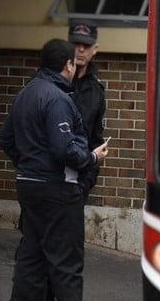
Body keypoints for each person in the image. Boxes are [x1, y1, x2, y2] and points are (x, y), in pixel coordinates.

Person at [0, 38, 109, 301]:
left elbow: (5, 138)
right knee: (66, 265)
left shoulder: (26, 93)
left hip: (28, 186)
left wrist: (27, 164)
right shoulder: (57, 98)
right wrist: (93, 158)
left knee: (31, 259)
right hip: (58, 191)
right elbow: (64, 150)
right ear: (68, 65)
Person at [68, 19, 107, 198]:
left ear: (95, 49)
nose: (81, 49)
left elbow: (96, 139)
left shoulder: (96, 90)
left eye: (86, 45)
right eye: (76, 44)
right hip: (47, 177)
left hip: (78, 178)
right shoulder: (50, 82)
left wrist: (87, 182)